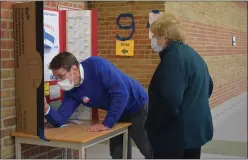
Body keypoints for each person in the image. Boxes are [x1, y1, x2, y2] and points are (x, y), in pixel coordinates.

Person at [44, 52, 153, 159]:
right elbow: (61, 118)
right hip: (118, 111)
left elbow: (121, 94)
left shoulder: (97, 65)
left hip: (137, 105)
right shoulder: (71, 90)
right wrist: (45, 108)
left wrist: (107, 123)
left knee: (147, 148)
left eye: (61, 76)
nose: (59, 82)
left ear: (74, 70)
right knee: (118, 153)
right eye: (56, 77)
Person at [145, 12, 214, 159]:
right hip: (194, 132)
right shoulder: (193, 54)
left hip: (174, 136)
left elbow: (169, 101)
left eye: (155, 35)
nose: (154, 40)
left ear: (165, 36)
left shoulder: (173, 58)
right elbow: (209, 87)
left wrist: (153, 126)